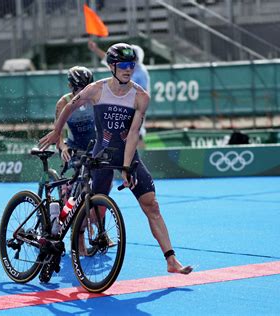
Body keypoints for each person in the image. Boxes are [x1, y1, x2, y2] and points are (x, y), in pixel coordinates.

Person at [39, 43, 192, 275]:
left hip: (127, 155)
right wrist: (56, 132)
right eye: (123, 65)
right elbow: (69, 105)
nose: (128, 70)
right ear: (112, 66)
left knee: (152, 204)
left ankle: (171, 260)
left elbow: (132, 134)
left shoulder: (140, 96)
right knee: (95, 212)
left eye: (131, 65)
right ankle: (69, 227)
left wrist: (126, 166)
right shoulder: (96, 89)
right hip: (100, 156)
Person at [88, 40, 150, 148]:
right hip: (121, 106)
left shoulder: (140, 72)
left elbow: (141, 93)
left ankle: (140, 156)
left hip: (133, 108)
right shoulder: (123, 68)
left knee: (136, 133)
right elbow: (108, 59)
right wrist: (95, 49)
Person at [56, 66, 95, 163]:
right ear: (70, 86)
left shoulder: (95, 98)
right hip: (73, 146)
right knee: (79, 172)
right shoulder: (63, 102)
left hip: (94, 144)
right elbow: (57, 133)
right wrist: (63, 147)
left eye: (87, 88)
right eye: (80, 89)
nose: (84, 92)